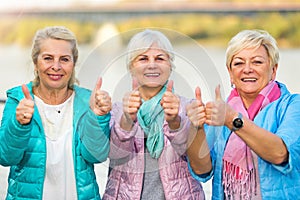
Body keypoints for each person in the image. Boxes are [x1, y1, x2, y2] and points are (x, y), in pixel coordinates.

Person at [186, 29, 300, 199]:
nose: (247, 69)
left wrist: (233, 120)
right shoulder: (221, 111)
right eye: (239, 63)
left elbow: (280, 154)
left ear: (273, 70)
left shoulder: (292, 105)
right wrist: (196, 128)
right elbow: (202, 171)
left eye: (257, 62)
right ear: (230, 73)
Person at [0, 26, 112, 200]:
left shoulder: (87, 101)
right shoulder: (17, 99)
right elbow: (6, 157)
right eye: (48, 58)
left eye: (64, 59)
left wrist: (99, 118)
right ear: (35, 62)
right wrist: (19, 125)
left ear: (73, 63)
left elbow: (97, 155)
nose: (56, 66)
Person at [102, 29, 205, 199]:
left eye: (160, 58)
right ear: (131, 67)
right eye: (143, 58)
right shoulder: (116, 111)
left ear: (170, 66)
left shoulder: (189, 108)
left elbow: (200, 166)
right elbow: (114, 156)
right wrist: (127, 120)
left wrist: (175, 124)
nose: (152, 65)